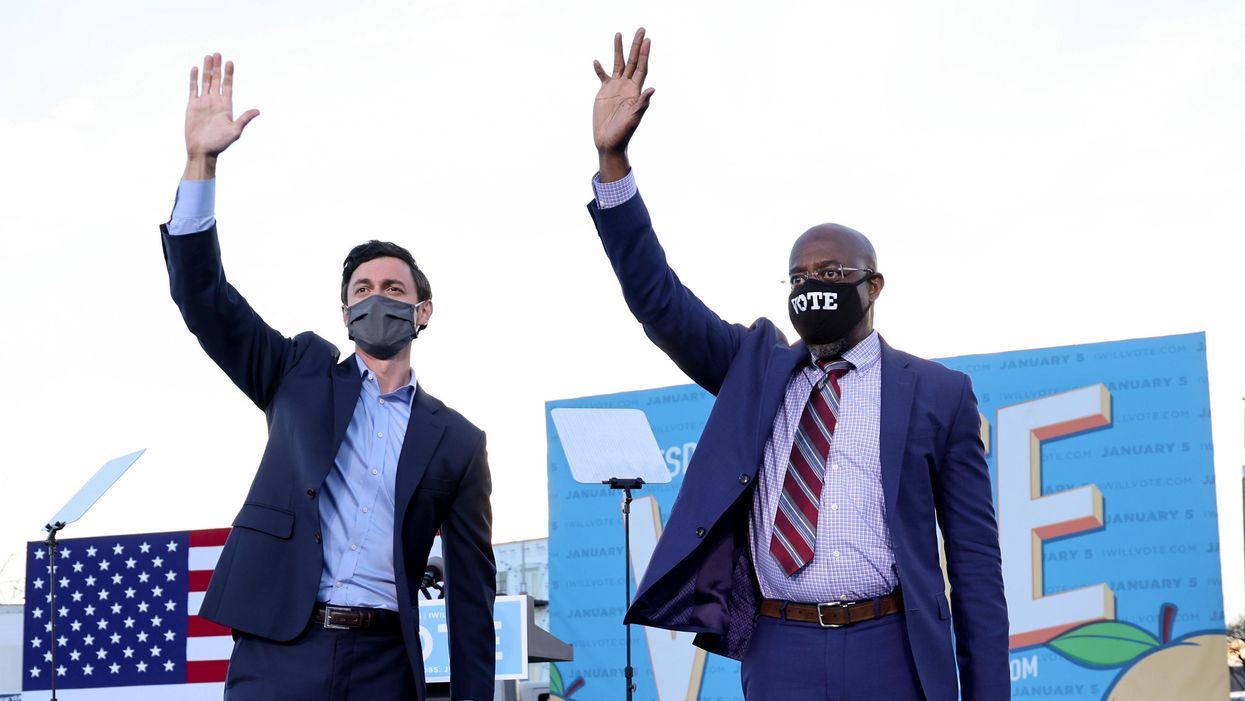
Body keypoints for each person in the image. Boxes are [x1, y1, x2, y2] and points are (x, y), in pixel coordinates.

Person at [587, 30, 1009, 701]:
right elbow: (658, 301)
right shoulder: (753, 366)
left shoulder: (939, 393)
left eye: (834, 271)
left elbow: (976, 568)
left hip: (890, 646)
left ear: (873, 286)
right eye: (799, 274)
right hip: (778, 645)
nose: (815, 283)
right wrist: (613, 165)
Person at [161, 53, 496, 701]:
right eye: (362, 289)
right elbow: (204, 300)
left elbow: (472, 597)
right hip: (281, 650)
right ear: (346, 312)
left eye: (394, 288)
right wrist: (201, 164)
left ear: (421, 311)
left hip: (384, 664)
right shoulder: (296, 371)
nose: (378, 298)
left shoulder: (456, 441)